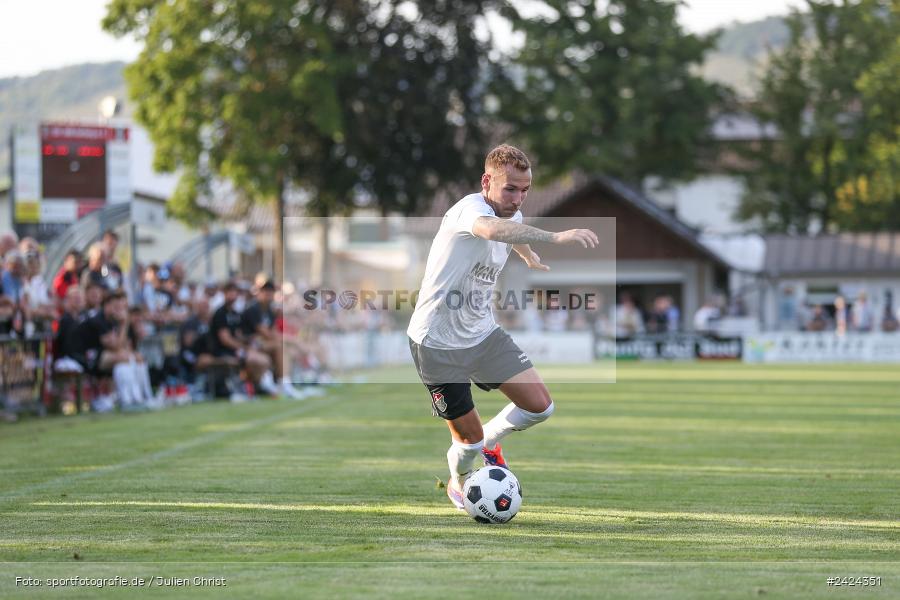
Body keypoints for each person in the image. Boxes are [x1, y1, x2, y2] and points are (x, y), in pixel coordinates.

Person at [406, 144, 598, 510]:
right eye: (510, 188)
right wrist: (553, 237)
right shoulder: (469, 211)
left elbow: (512, 229)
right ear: (486, 182)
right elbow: (492, 230)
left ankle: (492, 444)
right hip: (436, 342)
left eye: (525, 190)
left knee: (540, 407)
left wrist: (527, 253)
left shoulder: (513, 213)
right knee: (469, 444)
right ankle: (459, 481)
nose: (518, 198)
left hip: (482, 334)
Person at [242, 280, 305, 399]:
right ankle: (283, 383)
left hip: (264, 344)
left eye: (271, 293)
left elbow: (274, 331)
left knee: (285, 349)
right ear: (260, 293)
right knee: (279, 346)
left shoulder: (269, 311)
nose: (269, 296)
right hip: (250, 345)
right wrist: (291, 340)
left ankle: (285, 382)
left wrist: (288, 340)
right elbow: (265, 333)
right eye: (266, 292)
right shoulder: (253, 309)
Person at [209, 281, 270, 395]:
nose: (232, 295)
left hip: (236, 349)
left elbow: (239, 335)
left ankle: (255, 386)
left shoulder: (236, 313)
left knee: (265, 359)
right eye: (230, 292)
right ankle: (250, 386)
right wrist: (244, 347)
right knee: (257, 360)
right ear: (224, 293)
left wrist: (250, 339)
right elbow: (225, 340)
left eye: (235, 292)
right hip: (223, 351)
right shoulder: (220, 313)